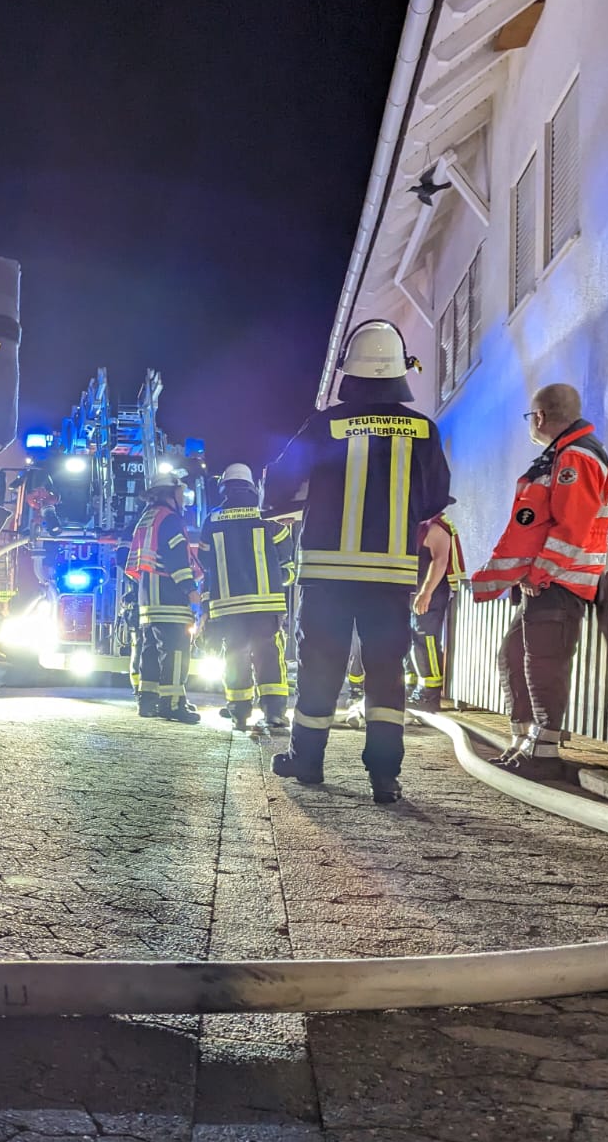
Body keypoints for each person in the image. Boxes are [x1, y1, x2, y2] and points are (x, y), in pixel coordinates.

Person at [264, 320, 451, 803]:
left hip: (326, 577)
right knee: (387, 673)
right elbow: (434, 499)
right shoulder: (424, 430)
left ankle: (307, 761)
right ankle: (384, 777)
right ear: (399, 371)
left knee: (320, 667)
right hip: (390, 578)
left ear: (349, 372)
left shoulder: (325, 424)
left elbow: (278, 482)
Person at [471, 383, 608, 779]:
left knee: (544, 663)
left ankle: (544, 752)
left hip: (559, 582)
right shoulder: (562, 455)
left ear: (539, 417)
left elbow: (571, 529)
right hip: (548, 580)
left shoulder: (576, 457)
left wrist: (538, 573)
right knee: (514, 656)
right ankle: (524, 742)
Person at [198, 462, 292, 731]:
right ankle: (274, 712)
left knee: (234, 655)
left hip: (227, 605)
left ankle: (239, 712)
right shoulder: (268, 516)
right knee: (269, 653)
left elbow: (205, 560)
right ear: (252, 487)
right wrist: (279, 581)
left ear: (224, 488)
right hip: (266, 603)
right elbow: (286, 556)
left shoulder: (212, 520)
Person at [124, 475, 200, 723]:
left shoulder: (147, 517)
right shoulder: (169, 519)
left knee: (150, 651)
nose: (183, 497)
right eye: (180, 492)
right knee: (175, 650)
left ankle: (147, 702)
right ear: (170, 493)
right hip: (170, 597)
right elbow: (176, 557)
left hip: (148, 598)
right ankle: (173, 703)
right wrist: (190, 589)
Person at [408, 514, 464, 709]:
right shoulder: (417, 523)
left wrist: (426, 592)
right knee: (412, 638)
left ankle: (429, 694)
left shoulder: (435, 526)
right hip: (415, 590)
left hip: (430, 593)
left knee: (426, 639)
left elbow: (439, 560)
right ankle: (413, 687)